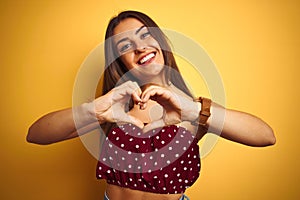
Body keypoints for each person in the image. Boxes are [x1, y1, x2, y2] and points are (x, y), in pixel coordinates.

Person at [27, 10, 276, 200]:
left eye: (145, 35)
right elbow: (36, 135)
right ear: (120, 61)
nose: (139, 47)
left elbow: (266, 136)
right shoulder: (115, 105)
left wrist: (193, 110)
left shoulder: (191, 107)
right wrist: (93, 111)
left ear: (160, 41)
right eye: (125, 46)